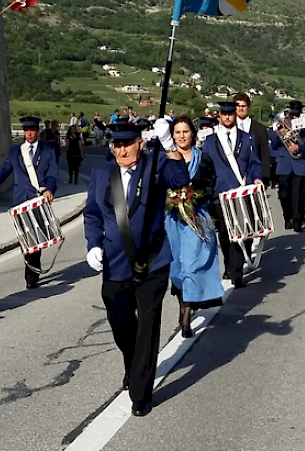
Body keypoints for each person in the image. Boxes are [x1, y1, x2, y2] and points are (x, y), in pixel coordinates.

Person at [83, 117, 190, 417]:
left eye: (128, 143)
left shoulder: (154, 164)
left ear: (140, 143)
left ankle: (141, 394)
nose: (122, 150)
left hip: (153, 260)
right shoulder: (102, 174)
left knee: (148, 326)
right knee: (120, 323)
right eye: (117, 145)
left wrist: (169, 144)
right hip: (116, 264)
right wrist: (93, 244)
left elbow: (180, 178)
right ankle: (133, 363)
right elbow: (92, 214)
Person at [165, 116, 223, 338]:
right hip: (172, 219)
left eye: (185, 131)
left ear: (193, 134)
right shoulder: (166, 159)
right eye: (177, 132)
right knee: (177, 268)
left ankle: (186, 316)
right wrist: (172, 198)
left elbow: (210, 186)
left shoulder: (204, 159)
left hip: (196, 218)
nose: (182, 136)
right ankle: (183, 304)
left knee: (191, 264)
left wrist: (192, 198)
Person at [0, 116, 58, 289]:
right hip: (20, 199)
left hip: (38, 199)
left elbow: (52, 174)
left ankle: (32, 274)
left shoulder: (48, 151)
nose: (29, 134)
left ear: (37, 131)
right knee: (25, 238)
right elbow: (6, 168)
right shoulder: (15, 152)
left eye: (32, 130)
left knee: (36, 237)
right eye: (26, 130)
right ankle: (31, 269)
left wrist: (50, 189)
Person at [202, 102, 263, 288]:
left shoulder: (247, 138)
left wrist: (257, 178)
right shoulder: (210, 141)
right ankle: (231, 267)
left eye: (231, 114)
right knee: (224, 233)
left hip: (241, 192)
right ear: (218, 116)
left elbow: (254, 163)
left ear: (235, 115)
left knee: (243, 232)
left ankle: (236, 271)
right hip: (219, 194)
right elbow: (206, 167)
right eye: (224, 114)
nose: (227, 118)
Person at [271, 101, 305, 233]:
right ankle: (287, 217)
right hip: (284, 164)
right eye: (292, 114)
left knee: (299, 195)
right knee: (283, 194)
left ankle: (297, 221)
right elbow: (274, 145)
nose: (294, 117)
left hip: (300, 163)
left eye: (296, 114)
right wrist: (279, 133)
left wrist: (300, 147)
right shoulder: (280, 124)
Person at [234, 92, 271, 186]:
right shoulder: (230, 127)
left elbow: (264, 154)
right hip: (233, 177)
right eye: (238, 106)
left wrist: (265, 177)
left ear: (248, 107)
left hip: (254, 176)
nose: (240, 109)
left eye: (243, 106)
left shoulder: (260, 129)